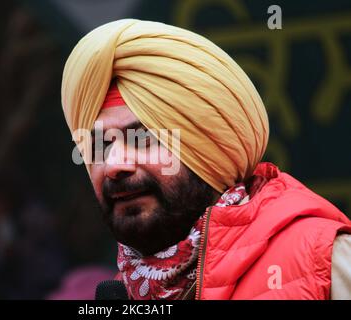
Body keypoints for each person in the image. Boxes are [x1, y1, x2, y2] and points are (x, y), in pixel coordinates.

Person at [60, 19, 351, 300]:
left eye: (143, 137)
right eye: (99, 145)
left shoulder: (325, 263)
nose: (113, 165)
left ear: (208, 147)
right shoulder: (122, 293)